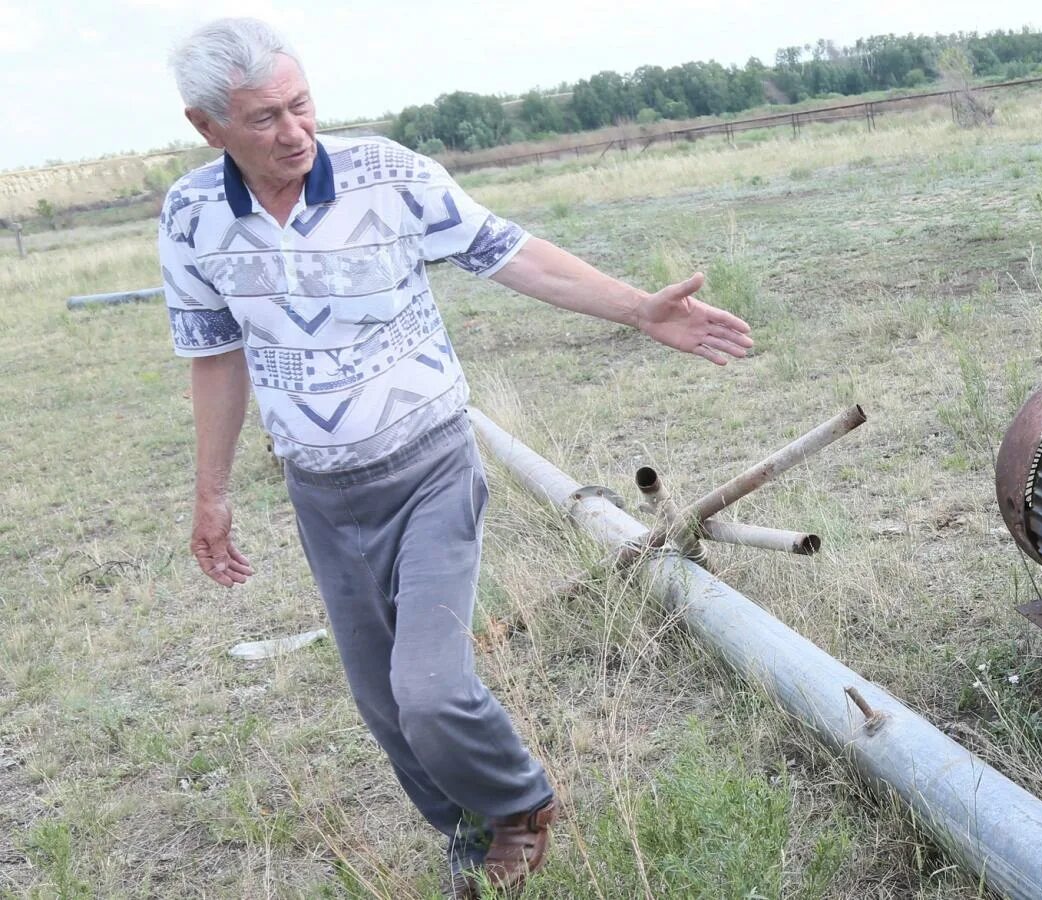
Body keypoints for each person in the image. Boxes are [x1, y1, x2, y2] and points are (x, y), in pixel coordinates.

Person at [159, 17, 753, 898]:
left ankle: (520, 801)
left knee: (431, 690)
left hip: (429, 465)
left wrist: (635, 308)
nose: (293, 133)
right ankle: (470, 831)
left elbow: (508, 254)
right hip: (321, 492)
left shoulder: (386, 175)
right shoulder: (191, 215)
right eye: (263, 120)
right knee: (384, 707)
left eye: (302, 105)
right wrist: (212, 494)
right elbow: (214, 357)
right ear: (208, 128)